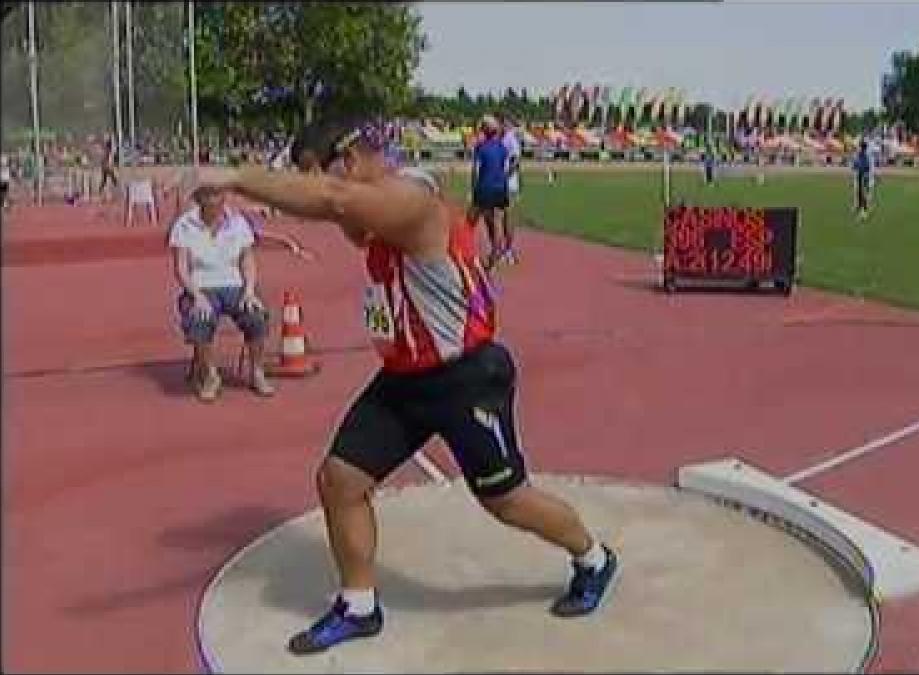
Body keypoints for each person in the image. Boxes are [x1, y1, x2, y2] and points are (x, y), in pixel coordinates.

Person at [190, 117, 620, 655]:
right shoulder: (374, 207)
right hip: (405, 380)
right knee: (340, 480)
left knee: (506, 501)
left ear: (349, 163)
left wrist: (233, 178)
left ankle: (594, 558)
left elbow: (337, 203)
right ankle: (359, 605)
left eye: (321, 176)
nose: (320, 192)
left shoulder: (411, 200)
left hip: (466, 379)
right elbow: (347, 217)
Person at [168, 186, 275, 402]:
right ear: (199, 199)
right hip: (201, 286)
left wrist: (249, 291)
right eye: (208, 195)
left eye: (217, 195)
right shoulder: (184, 225)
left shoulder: (238, 222)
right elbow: (181, 269)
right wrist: (197, 296)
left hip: (234, 284)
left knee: (256, 315)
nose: (214, 200)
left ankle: (257, 372)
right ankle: (209, 375)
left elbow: (247, 260)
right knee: (199, 318)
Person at [468, 115, 511, 269]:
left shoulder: (481, 147)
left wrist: (473, 189)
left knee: (470, 220)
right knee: (496, 221)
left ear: (485, 131)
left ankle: (464, 250)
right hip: (500, 188)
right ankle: (495, 255)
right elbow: (506, 169)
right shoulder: (502, 148)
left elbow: (476, 169)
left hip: (484, 187)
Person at [500, 116, 523, 264]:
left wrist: (504, 177)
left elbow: (515, 161)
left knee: (506, 217)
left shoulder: (510, 139)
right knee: (497, 217)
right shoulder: (501, 139)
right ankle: (502, 249)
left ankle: (508, 251)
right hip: (501, 183)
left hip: (508, 184)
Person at [851, 139, 875, 221]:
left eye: (859, 147)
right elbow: (855, 166)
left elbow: (866, 168)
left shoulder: (865, 156)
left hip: (864, 177)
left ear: (862, 148)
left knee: (864, 194)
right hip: (860, 177)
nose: (857, 148)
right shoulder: (859, 155)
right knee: (860, 193)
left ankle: (864, 212)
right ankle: (862, 209)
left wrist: (865, 177)